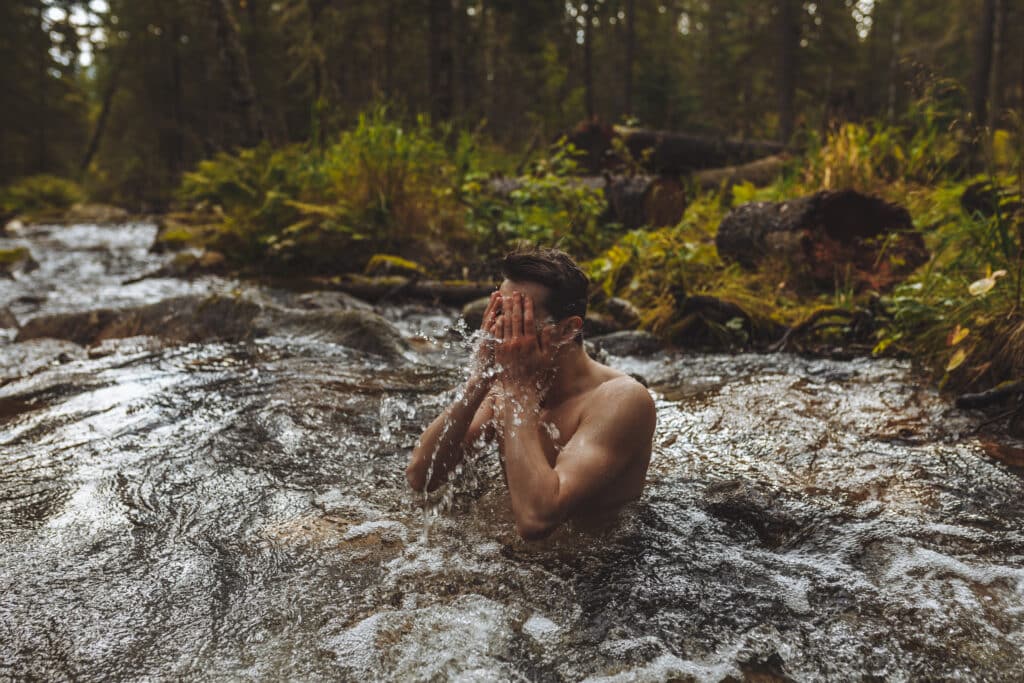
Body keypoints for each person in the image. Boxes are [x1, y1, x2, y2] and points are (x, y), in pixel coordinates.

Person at [406, 247, 656, 541]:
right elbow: (422, 478)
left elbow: (536, 520)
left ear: (567, 330)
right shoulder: (505, 386)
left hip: (593, 576)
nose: (500, 329)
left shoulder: (622, 400)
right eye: (499, 312)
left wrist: (519, 392)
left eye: (518, 319)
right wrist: (477, 382)